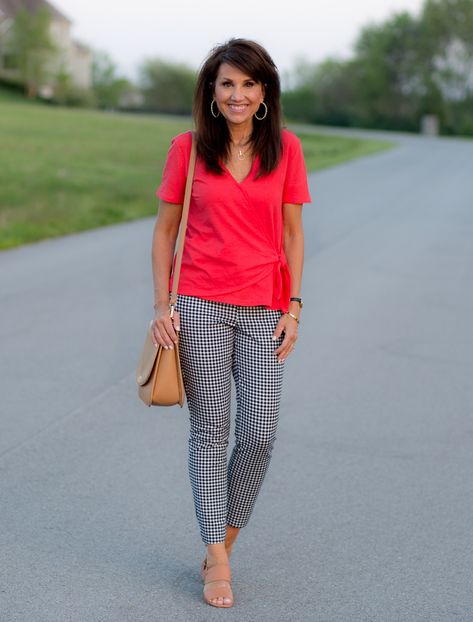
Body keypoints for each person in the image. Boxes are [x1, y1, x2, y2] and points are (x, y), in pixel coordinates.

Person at [151, 38, 312, 608]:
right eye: (227, 84)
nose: (237, 94)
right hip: (198, 304)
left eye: (248, 84)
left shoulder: (286, 149)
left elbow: (292, 234)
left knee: (260, 432)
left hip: (265, 307)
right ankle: (216, 553)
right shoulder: (188, 148)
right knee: (210, 429)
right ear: (211, 92)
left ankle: (224, 537)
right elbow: (165, 232)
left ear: (264, 91)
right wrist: (162, 306)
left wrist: (294, 307)